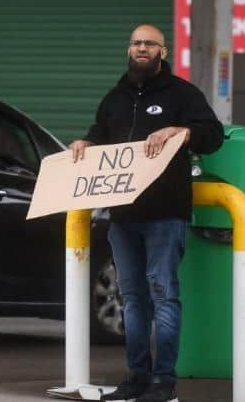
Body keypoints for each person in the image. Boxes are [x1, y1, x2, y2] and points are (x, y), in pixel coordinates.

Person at [69, 24, 224, 402]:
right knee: (132, 299)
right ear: (129, 49)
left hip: (165, 214)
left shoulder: (182, 95)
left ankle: (164, 382)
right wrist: (83, 144)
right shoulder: (115, 98)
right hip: (122, 216)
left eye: (149, 44)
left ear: (162, 51)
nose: (142, 48)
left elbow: (213, 134)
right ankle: (137, 378)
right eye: (136, 43)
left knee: (163, 293)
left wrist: (182, 131)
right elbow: (99, 138)